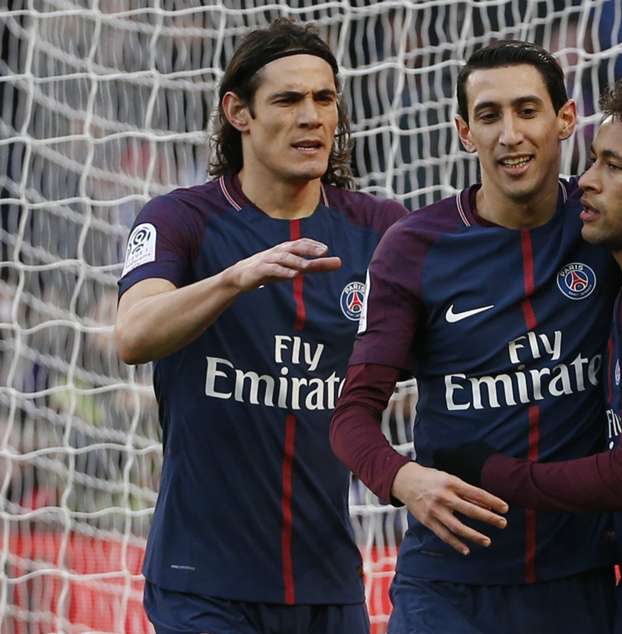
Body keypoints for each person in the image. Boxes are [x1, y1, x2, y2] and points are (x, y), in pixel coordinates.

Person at [331, 42, 622, 633]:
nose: (510, 134)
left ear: (564, 119)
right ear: (464, 132)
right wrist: (403, 479)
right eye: (489, 115)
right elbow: (351, 415)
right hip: (451, 582)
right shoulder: (414, 247)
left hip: (580, 582)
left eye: (527, 110)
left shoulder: (606, 217)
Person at [113, 19, 471, 634]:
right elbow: (133, 334)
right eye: (288, 99)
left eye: (324, 99)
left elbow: (458, 336)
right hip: (201, 583)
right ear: (239, 113)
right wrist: (234, 279)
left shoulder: (380, 228)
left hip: (327, 580)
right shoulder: (180, 218)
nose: (312, 117)